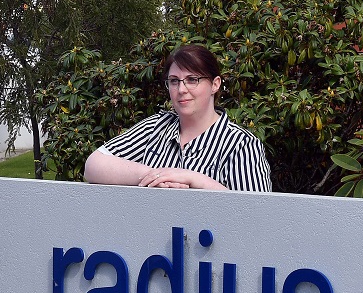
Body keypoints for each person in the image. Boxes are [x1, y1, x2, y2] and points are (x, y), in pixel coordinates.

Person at [83, 44, 272, 192]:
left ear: (215, 84)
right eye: (174, 81)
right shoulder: (155, 128)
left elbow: (256, 217)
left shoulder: (241, 145)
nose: (181, 90)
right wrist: (155, 176)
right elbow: (93, 165)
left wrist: (194, 179)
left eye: (192, 80)